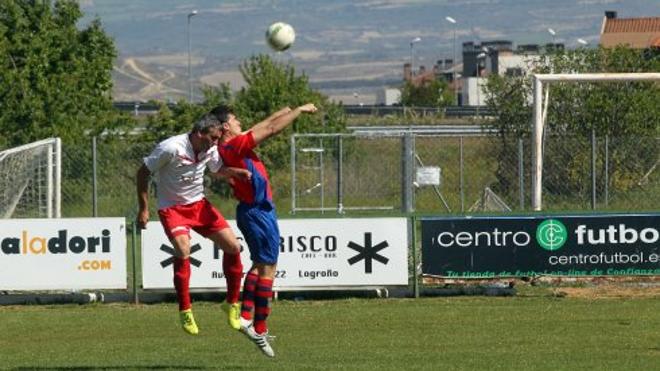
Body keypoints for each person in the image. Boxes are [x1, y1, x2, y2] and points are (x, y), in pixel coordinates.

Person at [214, 103, 318, 357]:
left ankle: (249, 318)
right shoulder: (234, 146)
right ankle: (253, 322)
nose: (240, 122)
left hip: (256, 211)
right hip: (257, 211)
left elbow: (260, 127)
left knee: (263, 265)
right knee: (267, 267)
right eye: (235, 119)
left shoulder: (229, 145)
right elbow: (270, 130)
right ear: (226, 126)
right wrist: (299, 112)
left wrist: (282, 111)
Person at [136, 111, 248, 336]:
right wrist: (144, 208)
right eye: (213, 138)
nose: (216, 143)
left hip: (199, 205)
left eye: (217, 139)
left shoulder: (210, 148)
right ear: (199, 133)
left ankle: (231, 303)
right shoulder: (171, 148)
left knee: (233, 247)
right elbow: (142, 173)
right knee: (182, 248)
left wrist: (234, 173)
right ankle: (185, 309)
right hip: (172, 208)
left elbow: (216, 171)